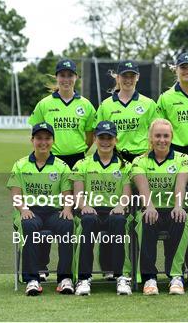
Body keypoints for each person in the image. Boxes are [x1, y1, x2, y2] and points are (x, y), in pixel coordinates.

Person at [27, 59, 95, 278]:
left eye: (70, 75)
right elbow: (37, 132)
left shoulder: (85, 104)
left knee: (75, 216)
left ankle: (74, 267)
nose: (66, 79)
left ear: (76, 78)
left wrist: (77, 151)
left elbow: (89, 135)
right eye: (62, 75)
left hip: (76, 161)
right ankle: (42, 265)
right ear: (57, 78)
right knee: (49, 209)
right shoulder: (45, 104)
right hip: (51, 161)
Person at [7, 122, 74, 296]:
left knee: (67, 224)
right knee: (29, 224)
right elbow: (16, 195)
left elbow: (67, 194)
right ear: (32, 140)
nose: (43, 142)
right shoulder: (20, 165)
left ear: (53, 141)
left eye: (47, 138)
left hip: (52, 211)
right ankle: (32, 279)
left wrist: (67, 209)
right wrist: (23, 210)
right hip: (30, 210)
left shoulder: (61, 166)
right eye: (39, 138)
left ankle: (65, 278)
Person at [70, 121, 133, 296]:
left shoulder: (125, 166)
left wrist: (121, 206)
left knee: (120, 221)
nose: (105, 141)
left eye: (109, 138)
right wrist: (84, 206)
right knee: (87, 221)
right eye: (101, 137)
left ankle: (121, 277)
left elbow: (126, 193)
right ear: (95, 139)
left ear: (116, 140)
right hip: (91, 210)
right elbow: (78, 194)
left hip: (114, 211)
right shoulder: (82, 164)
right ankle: (84, 278)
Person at [132, 119, 188, 295]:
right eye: (157, 135)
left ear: (172, 137)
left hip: (174, 208)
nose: (162, 140)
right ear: (151, 138)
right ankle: (149, 278)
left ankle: (176, 277)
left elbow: (180, 184)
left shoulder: (184, 158)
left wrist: (179, 206)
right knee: (146, 220)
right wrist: (149, 207)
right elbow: (143, 188)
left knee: (181, 218)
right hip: (151, 207)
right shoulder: (139, 161)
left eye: (166, 136)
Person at [95, 60, 158, 163]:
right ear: (118, 78)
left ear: (137, 77)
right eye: (125, 76)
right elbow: (97, 134)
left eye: (132, 76)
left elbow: (156, 132)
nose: (128, 80)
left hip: (142, 158)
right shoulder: (105, 105)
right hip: (115, 158)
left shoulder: (149, 104)